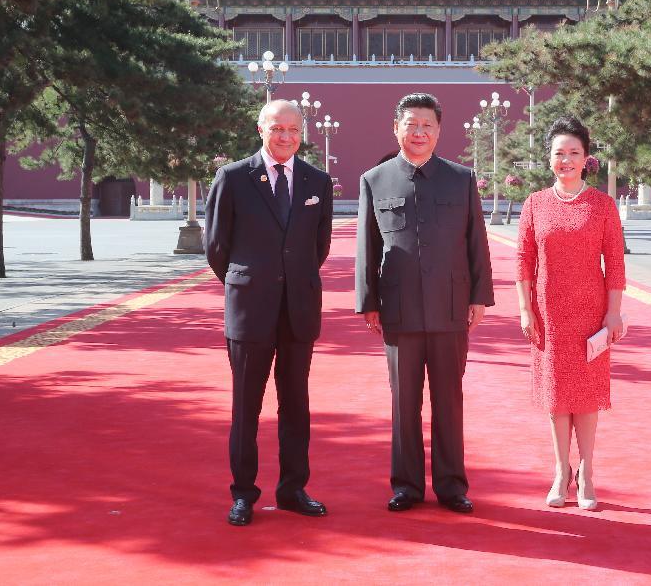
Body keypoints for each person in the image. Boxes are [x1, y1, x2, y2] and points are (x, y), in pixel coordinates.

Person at [356, 93, 494, 514]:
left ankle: (452, 485)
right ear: (395, 127)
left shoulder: (460, 178)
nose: (419, 133)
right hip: (399, 310)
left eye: (427, 126)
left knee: (449, 399)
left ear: (438, 131)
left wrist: (479, 297)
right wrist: (369, 302)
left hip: (451, 307)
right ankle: (406, 485)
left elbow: (476, 242)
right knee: (404, 401)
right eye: (411, 125)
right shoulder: (375, 180)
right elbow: (367, 245)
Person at [205, 99, 334, 526]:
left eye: (293, 130)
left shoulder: (318, 180)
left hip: (298, 307)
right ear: (261, 129)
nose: (285, 137)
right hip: (250, 308)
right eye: (277, 128)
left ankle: (294, 488)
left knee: (296, 403)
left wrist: (290, 278)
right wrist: (249, 278)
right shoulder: (234, 177)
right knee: (247, 405)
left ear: (303, 133)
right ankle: (244, 493)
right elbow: (216, 247)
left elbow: (319, 246)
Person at [515, 115, 626, 511]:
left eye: (573, 153)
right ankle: (561, 472)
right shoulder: (535, 204)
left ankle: (588, 473)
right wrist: (526, 311)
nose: (566, 160)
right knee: (557, 396)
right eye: (559, 153)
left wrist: (613, 315)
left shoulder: (602, 205)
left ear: (586, 159)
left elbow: (614, 264)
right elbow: (523, 261)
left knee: (587, 397)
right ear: (548, 159)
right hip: (549, 313)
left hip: (591, 314)